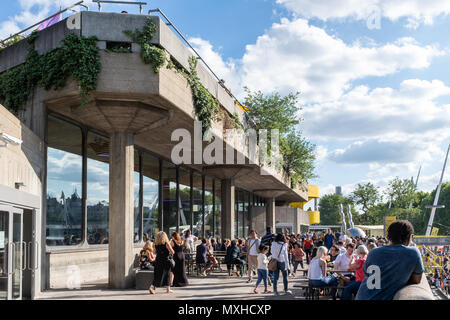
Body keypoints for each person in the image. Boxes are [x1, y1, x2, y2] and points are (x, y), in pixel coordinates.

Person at [356, 220, 425, 300]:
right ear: (410, 237)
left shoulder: (373, 252)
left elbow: (366, 272)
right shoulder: (413, 253)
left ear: (388, 236)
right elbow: (416, 280)